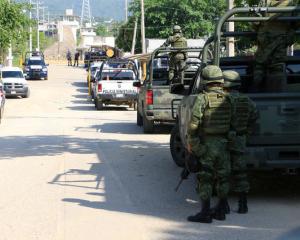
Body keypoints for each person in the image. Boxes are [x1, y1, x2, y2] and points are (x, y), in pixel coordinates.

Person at [186, 65, 233, 223]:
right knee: (223, 178)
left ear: (205, 81)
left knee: (205, 178)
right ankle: (220, 210)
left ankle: (205, 213)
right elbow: (235, 123)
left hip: (207, 145)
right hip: (224, 144)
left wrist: (193, 145)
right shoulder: (229, 97)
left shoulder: (202, 98)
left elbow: (193, 125)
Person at [223, 70, 258, 214]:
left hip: (223, 140)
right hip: (240, 139)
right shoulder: (247, 100)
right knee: (240, 172)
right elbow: (254, 118)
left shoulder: (221, 100)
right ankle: (243, 205)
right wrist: (245, 134)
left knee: (222, 172)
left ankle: (223, 205)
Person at [253, 0, 297, 92]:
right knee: (272, 76)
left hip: (269, 50)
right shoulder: (290, 3)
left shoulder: (265, 2)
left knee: (261, 76)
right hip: (271, 49)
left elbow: (255, 25)